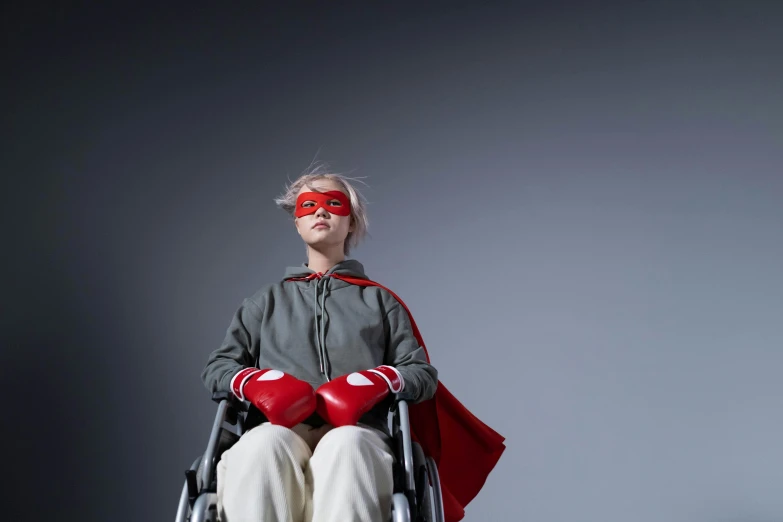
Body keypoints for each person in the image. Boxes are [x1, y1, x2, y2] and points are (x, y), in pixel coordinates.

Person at [201, 165, 440, 522]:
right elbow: (218, 367)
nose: (319, 211)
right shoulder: (264, 302)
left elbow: (420, 373)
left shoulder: (380, 302)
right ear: (297, 223)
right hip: (276, 428)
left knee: (348, 446)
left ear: (352, 223)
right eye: (307, 205)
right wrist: (252, 381)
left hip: (358, 430)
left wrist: (381, 380)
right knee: (260, 448)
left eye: (333, 203)